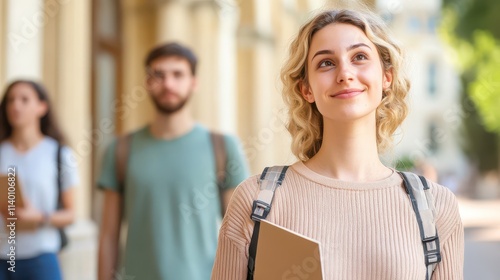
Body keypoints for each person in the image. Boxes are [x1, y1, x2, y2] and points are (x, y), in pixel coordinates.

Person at [211, 9, 464, 279]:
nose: (345, 73)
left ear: (386, 77)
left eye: (360, 57)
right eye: (326, 63)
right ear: (306, 89)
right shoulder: (256, 200)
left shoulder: (436, 207)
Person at [97, 42, 250, 280]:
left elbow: (239, 234)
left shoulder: (222, 147)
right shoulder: (120, 149)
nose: (168, 83)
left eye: (178, 75)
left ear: (194, 82)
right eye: (158, 75)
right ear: (147, 83)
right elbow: (108, 235)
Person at [0, 80, 79, 280]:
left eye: (24, 100)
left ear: (42, 107)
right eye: (10, 100)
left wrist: (39, 216)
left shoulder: (58, 154)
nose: (15, 106)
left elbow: (71, 214)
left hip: (40, 257)